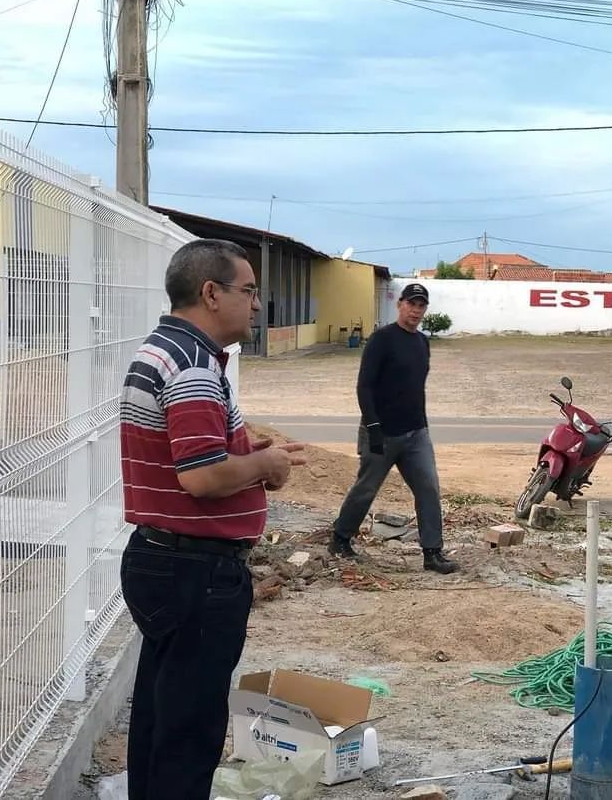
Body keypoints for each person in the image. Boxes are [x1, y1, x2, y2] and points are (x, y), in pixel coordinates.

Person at [119, 239, 306, 799]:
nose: (257, 304)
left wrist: (249, 460)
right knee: (189, 731)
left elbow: (196, 457)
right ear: (210, 293)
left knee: (162, 717)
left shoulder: (164, 351)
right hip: (195, 571)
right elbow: (201, 477)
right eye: (248, 290)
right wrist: (263, 466)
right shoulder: (194, 366)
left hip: (167, 562)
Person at [327, 282, 458, 575]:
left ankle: (432, 552)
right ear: (400, 304)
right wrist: (373, 425)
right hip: (381, 433)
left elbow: (416, 388)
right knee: (366, 488)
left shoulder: (422, 342)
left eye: (421, 305)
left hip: (416, 434)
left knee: (428, 488)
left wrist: (423, 425)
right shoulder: (382, 339)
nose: (416, 310)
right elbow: (364, 386)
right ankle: (340, 539)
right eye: (411, 304)